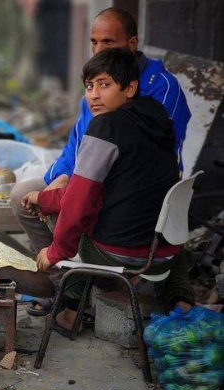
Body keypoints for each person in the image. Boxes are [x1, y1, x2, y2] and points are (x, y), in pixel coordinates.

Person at [11, 7, 191, 316]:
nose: (94, 95)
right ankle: (177, 297)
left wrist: (55, 248)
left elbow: (88, 198)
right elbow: (76, 151)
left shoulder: (157, 94)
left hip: (122, 230)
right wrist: (58, 182)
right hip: (159, 243)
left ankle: (69, 303)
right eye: (90, 86)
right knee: (27, 197)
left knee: (73, 220)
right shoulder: (146, 112)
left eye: (104, 85)